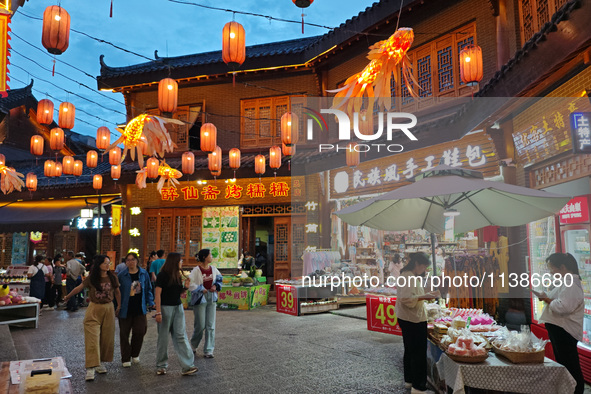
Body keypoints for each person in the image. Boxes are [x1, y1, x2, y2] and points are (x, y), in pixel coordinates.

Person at [64, 255, 121, 382]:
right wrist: (68, 296)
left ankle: (101, 363)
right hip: (94, 308)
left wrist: (119, 306)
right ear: (99, 264)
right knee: (92, 337)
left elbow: (117, 292)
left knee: (107, 337)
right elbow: (80, 288)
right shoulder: (92, 278)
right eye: (105, 263)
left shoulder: (112, 277)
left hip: (108, 307)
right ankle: (90, 368)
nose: (108, 265)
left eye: (109, 263)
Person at [537, 253, 584, 394]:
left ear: (562, 267)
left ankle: (575, 391)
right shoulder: (566, 282)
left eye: (552, 269)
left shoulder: (571, 285)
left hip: (565, 332)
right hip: (560, 330)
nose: (551, 273)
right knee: (565, 364)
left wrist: (546, 299)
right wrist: (546, 297)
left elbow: (563, 307)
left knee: (570, 366)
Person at [395, 252, 439, 394]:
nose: (424, 270)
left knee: (410, 350)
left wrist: (425, 295)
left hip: (407, 318)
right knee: (418, 353)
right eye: (424, 266)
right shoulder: (408, 276)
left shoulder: (409, 275)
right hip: (412, 319)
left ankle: (410, 381)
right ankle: (418, 387)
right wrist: (425, 296)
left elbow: (411, 296)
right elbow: (407, 299)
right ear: (417, 264)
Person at [154, 252, 198, 376]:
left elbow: (177, 293)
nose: (182, 263)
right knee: (163, 337)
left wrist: (185, 287)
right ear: (174, 261)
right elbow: (158, 294)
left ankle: (187, 366)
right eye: (180, 260)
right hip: (164, 308)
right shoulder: (162, 275)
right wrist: (158, 312)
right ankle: (161, 365)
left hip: (178, 308)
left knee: (180, 335)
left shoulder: (177, 275)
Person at [117, 252, 154, 368]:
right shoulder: (122, 275)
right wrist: (117, 306)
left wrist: (151, 302)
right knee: (124, 334)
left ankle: (135, 353)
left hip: (140, 308)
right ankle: (125, 357)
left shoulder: (143, 274)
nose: (130, 262)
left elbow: (148, 289)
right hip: (125, 308)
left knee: (140, 331)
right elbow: (117, 292)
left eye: (132, 260)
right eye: (128, 260)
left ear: (137, 261)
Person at [189, 249, 223, 358]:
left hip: (211, 297)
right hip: (200, 298)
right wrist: (200, 288)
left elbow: (219, 279)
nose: (211, 257)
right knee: (200, 325)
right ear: (204, 257)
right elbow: (189, 284)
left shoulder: (213, 269)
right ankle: (193, 345)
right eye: (210, 255)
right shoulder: (196, 270)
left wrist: (216, 286)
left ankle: (209, 350)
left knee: (210, 325)